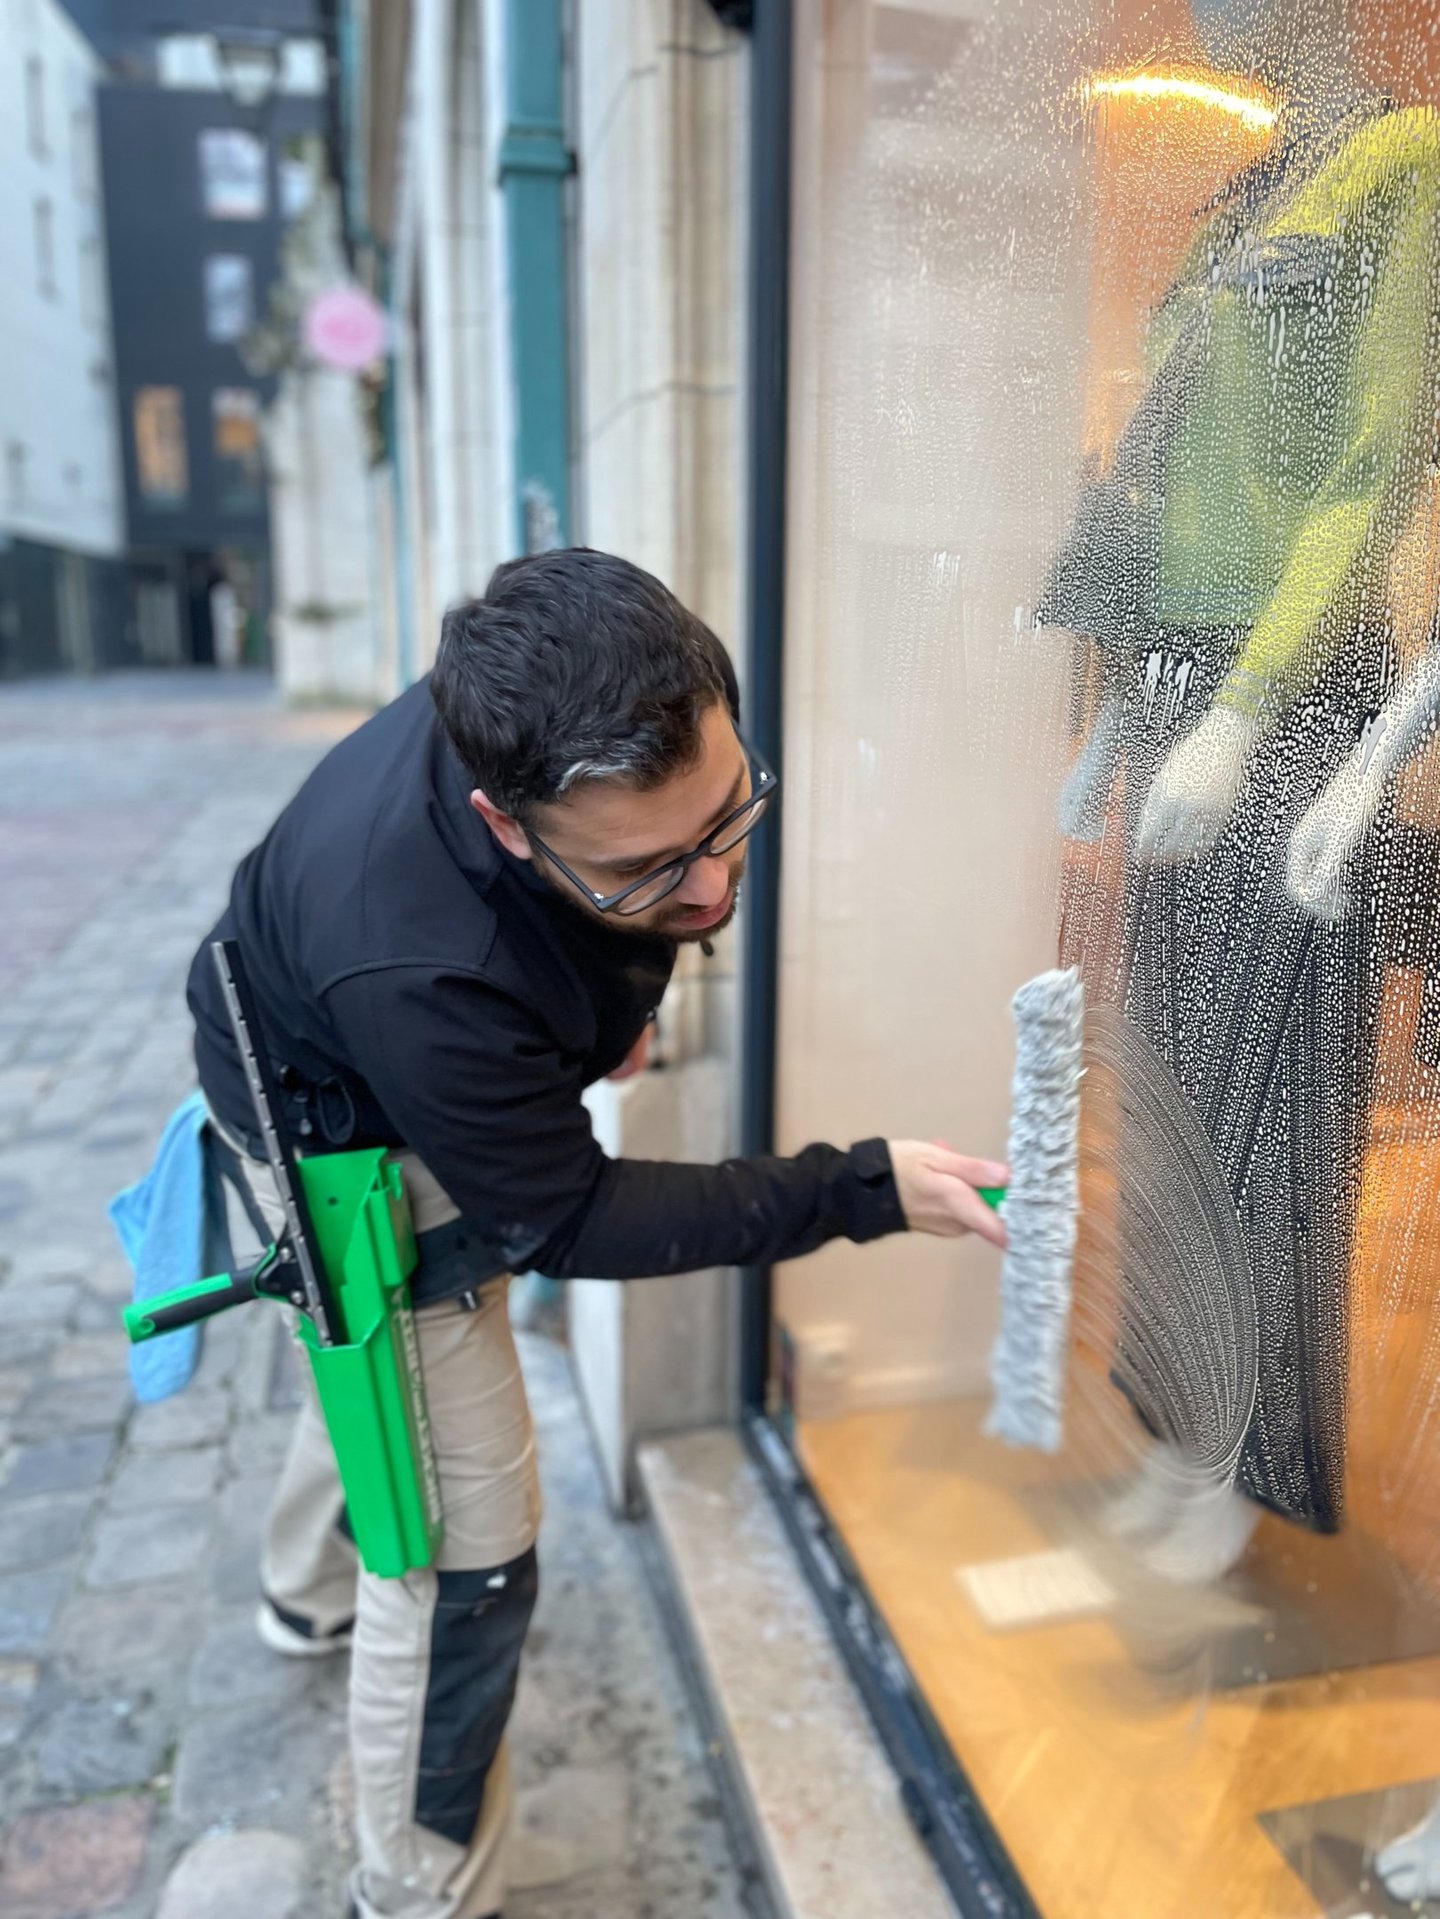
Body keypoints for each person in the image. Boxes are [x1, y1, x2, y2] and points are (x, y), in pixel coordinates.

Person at [186, 547, 1009, 1919]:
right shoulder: (428, 969)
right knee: (463, 1559)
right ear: (510, 825)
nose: (707, 894)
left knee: (364, 1369)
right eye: (644, 874)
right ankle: (418, 1889)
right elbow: (564, 1215)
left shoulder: (637, 686)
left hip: (353, 1020)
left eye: (726, 823)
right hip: (340, 1130)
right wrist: (859, 1188)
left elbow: (653, 872)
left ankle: (301, 1588)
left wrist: (609, 1002)